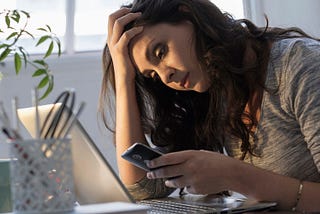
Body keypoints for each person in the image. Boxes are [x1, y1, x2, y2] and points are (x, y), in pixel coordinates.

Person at [99, 0, 320, 212]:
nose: (166, 76)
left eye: (160, 52)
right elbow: (142, 187)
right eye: (153, 75)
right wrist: (124, 77)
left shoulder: (300, 64)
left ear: (188, 16)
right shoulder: (215, 90)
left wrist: (235, 175)